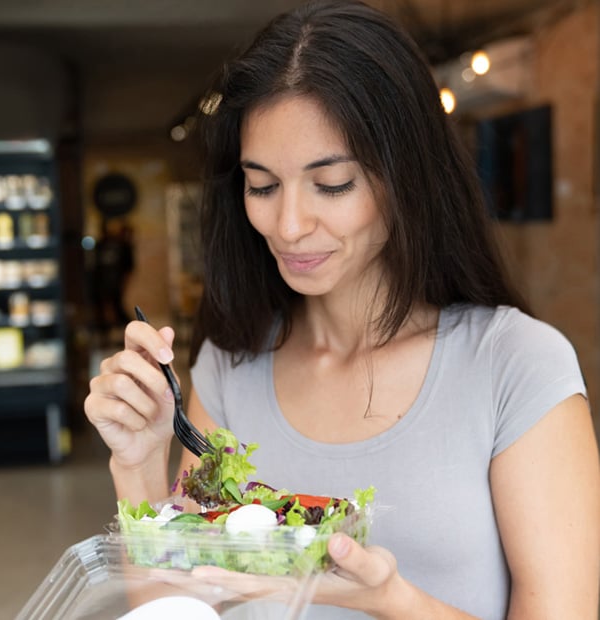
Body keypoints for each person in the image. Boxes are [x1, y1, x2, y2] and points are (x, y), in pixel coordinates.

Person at [84, 1, 600, 618]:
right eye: (262, 185)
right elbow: (182, 607)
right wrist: (138, 466)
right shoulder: (230, 368)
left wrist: (394, 602)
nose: (290, 225)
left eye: (332, 184)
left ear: (405, 176)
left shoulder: (517, 366)